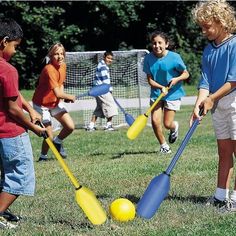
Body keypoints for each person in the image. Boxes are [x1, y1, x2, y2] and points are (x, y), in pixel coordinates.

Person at [191, 0, 236, 213]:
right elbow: (205, 81)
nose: (203, 31)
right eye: (201, 27)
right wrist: (200, 102)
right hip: (218, 104)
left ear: (221, 21)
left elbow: (233, 81)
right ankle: (220, 196)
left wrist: (211, 99)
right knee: (224, 151)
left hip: (234, 101)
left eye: (207, 26)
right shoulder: (209, 50)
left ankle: (235, 198)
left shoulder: (235, 45)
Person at [0, 18, 46, 229]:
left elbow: (13, 95)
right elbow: (11, 109)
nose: (16, 52)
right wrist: (34, 126)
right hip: (11, 133)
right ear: (4, 41)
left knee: (5, 175)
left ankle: (2, 211)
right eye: (15, 46)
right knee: (19, 176)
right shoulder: (8, 70)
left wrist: (30, 109)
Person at [143, 31, 189, 154]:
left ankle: (174, 127)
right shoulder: (148, 59)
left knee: (167, 124)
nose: (156, 46)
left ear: (166, 44)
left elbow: (186, 74)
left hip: (173, 93)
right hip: (157, 93)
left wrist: (176, 79)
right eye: (154, 43)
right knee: (154, 121)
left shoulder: (174, 57)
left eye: (160, 43)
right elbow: (150, 80)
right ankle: (164, 146)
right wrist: (160, 87)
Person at [32, 43, 76, 161]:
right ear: (51, 56)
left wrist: (63, 98)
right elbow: (58, 93)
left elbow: (60, 84)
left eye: (62, 54)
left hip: (54, 103)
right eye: (56, 54)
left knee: (70, 126)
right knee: (49, 135)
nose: (60, 56)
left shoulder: (63, 66)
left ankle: (58, 142)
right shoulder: (49, 69)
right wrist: (68, 96)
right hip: (41, 105)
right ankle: (43, 157)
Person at [86, 51, 118, 131]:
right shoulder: (103, 66)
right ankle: (108, 125)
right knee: (111, 105)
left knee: (99, 108)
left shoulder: (102, 65)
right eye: (108, 58)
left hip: (98, 89)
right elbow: (105, 80)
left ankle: (91, 126)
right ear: (104, 57)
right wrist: (109, 90)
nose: (110, 60)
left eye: (111, 59)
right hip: (102, 90)